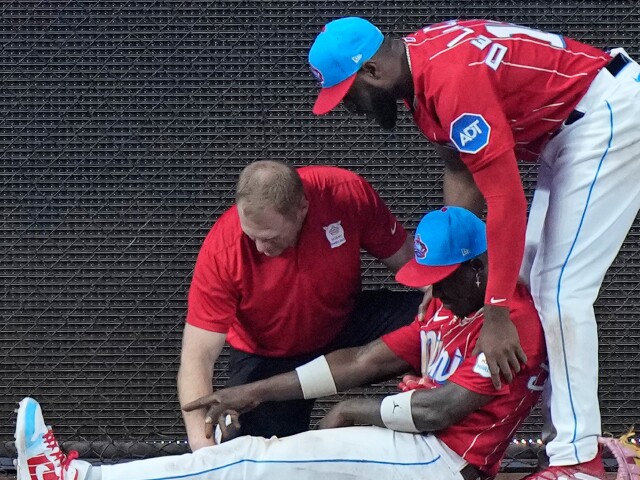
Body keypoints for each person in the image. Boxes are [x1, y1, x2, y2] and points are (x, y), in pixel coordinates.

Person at [307, 16, 640, 479]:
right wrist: (447, 266)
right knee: (523, 280)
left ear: (372, 72)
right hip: (571, 126)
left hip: (606, 116)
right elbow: (461, 169)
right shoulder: (419, 71)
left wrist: (497, 312)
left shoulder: (450, 79)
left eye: (348, 95)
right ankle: (556, 442)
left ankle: (577, 461)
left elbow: (505, 200)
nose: (351, 108)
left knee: (559, 293)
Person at [15, 206, 550, 480]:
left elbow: (441, 408)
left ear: (480, 269)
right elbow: (362, 359)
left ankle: (74, 476)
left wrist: (353, 412)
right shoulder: (445, 305)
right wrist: (257, 393)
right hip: (415, 453)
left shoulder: (514, 322)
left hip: (442, 461)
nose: (431, 287)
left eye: (443, 275)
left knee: (251, 461)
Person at [179, 159, 423, 450]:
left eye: (269, 238)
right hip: (269, 356)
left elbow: (411, 265)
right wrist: (201, 448)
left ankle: (449, 430)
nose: (259, 248)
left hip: (342, 325)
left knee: (441, 318)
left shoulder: (345, 194)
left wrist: (451, 313)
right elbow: (197, 358)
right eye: (251, 236)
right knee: (261, 462)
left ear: (301, 210)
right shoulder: (223, 249)